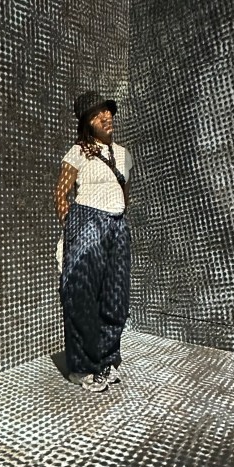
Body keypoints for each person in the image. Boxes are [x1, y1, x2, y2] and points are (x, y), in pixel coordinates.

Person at [55, 91, 133, 393]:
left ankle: (107, 360)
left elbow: (125, 193)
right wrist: (73, 229)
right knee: (82, 295)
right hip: (88, 219)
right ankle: (82, 367)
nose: (106, 117)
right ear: (87, 122)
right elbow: (61, 195)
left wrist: (118, 219)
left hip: (117, 224)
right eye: (98, 114)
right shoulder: (78, 152)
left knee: (116, 297)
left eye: (107, 111)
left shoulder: (124, 154)